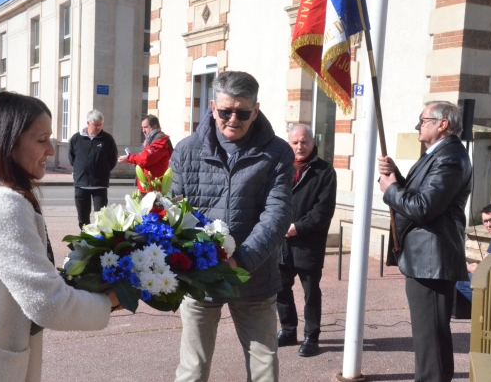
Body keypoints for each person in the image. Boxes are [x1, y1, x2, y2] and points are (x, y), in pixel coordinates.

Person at [0, 92, 118, 381]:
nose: (52, 151)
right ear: (7, 143)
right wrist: (110, 301)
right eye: (41, 140)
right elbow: (48, 303)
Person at [170, 71, 294, 382]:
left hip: (254, 275)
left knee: (263, 366)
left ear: (256, 109)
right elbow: (171, 211)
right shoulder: (186, 150)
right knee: (192, 369)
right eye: (226, 111)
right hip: (199, 277)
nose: (233, 119)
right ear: (212, 107)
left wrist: (241, 260)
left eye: (242, 112)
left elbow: (276, 214)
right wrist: (190, 259)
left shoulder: (277, 153)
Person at [378, 101, 472, 382]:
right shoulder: (437, 154)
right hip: (424, 258)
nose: (418, 125)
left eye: (423, 120)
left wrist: (391, 189)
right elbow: (423, 195)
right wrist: (397, 176)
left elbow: (424, 207)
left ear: (442, 124)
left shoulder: (450, 157)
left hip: (432, 259)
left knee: (431, 337)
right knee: (426, 335)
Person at [276, 124, 337, 357]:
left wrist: (296, 228)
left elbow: (322, 211)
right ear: (288, 143)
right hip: (281, 243)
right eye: (295, 142)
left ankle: (312, 336)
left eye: (304, 142)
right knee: (281, 289)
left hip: (308, 243)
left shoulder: (324, 172)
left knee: (311, 293)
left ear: (313, 143)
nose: (299, 147)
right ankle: (288, 330)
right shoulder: (280, 168)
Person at [68, 109, 118, 229]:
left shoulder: (107, 139)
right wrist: (81, 170)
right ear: (88, 123)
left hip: (99, 185)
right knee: (83, 217)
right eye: (96, 125)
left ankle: (99, 241)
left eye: (101, 125)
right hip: (81, 184)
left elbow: (113, 159)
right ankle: (85, 239)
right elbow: (72, 158)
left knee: (101, 217)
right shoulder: (76, 138)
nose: (99, 127)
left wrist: (103, 171)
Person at [117, 114, 173, 192]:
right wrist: (134, 161)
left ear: (154, 127)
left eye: (146, 127)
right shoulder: (150, 140)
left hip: (154, 187)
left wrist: (130, 158)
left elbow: (146, 158)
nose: (143, 130)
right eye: (142, 128)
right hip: (147, 185)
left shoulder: (160, 141)